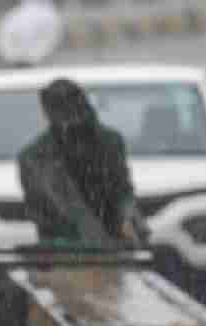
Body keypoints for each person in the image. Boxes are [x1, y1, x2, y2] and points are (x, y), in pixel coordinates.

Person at [17, 78, 146, 249]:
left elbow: (122, 191)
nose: (68, 122)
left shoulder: (110, 143)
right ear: (48, 113)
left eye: (72, 110)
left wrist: (129, 219)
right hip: (60, 253)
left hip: (112, 249)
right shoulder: (34, 157)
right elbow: (38, 212)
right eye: (60, 111)